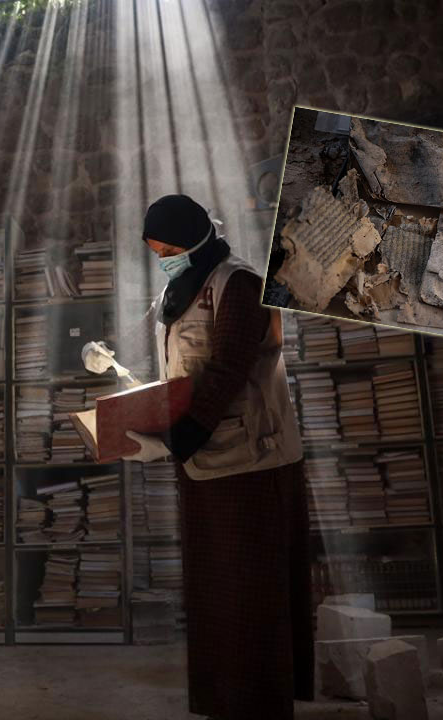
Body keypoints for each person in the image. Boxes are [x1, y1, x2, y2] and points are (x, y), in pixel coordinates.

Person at [99, 195, 310, 719]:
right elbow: (182, 370)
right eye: (155, 251)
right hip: (205, 462)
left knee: (249, 592)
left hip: (250, 462)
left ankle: (257, 705)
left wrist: (183, 431)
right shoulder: (180, 289)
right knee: (216, 594)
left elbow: (229, 368)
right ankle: (225, 703)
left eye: (171, 248)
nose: (164, 258)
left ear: (196, 239)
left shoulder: (237, 283)